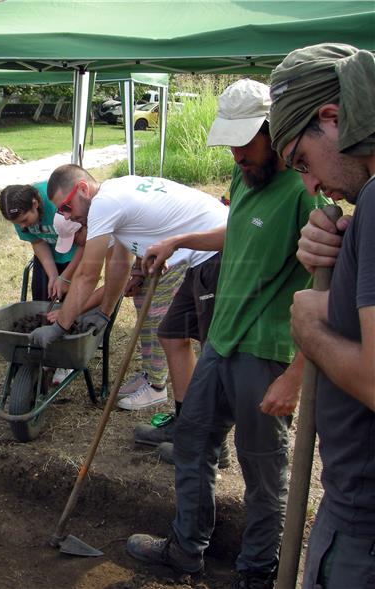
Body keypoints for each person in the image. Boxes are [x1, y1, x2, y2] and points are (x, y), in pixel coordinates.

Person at [124, 78, 326, 589]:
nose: (237, 153)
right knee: (192, 443)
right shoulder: (245, 180)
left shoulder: (307, 197)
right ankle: (185, 551)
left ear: (274, 132)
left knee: (264, 477)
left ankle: (256, 574)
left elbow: (332, 294)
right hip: (221, 344)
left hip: (266, 354)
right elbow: (236, 231)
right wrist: (178, 239)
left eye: (246, 141)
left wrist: (298, 375)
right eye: (231, 142)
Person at [268, 43, 375, 589]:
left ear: (331, 119)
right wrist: (347, 241)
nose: (308, 184)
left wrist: (309, 328)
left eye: (302, 161)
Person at [29, 168, 228, 414]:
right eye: (60, 211)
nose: (67, 217)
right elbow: (119, 264)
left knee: (216, 350)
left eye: (67, 207)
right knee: (171, 334)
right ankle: (185, 419)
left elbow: (87, 275)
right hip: (192, 253)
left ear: (82, 189)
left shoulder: (103, 203)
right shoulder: (111, 197)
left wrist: (60, 327)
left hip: (216, 248)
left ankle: (204, 431)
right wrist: (104, 312)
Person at [0, 182, 81, 302]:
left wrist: (65, 277)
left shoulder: (57, 202)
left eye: (24, 220)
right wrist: (53, 275)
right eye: (17, 224)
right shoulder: (18, 217)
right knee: (41, 296)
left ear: (35, 204)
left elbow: (84, 244)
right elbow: (37, 242)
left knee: (71, 301)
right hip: (48, 254)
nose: (22, 227)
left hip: (76, 251)